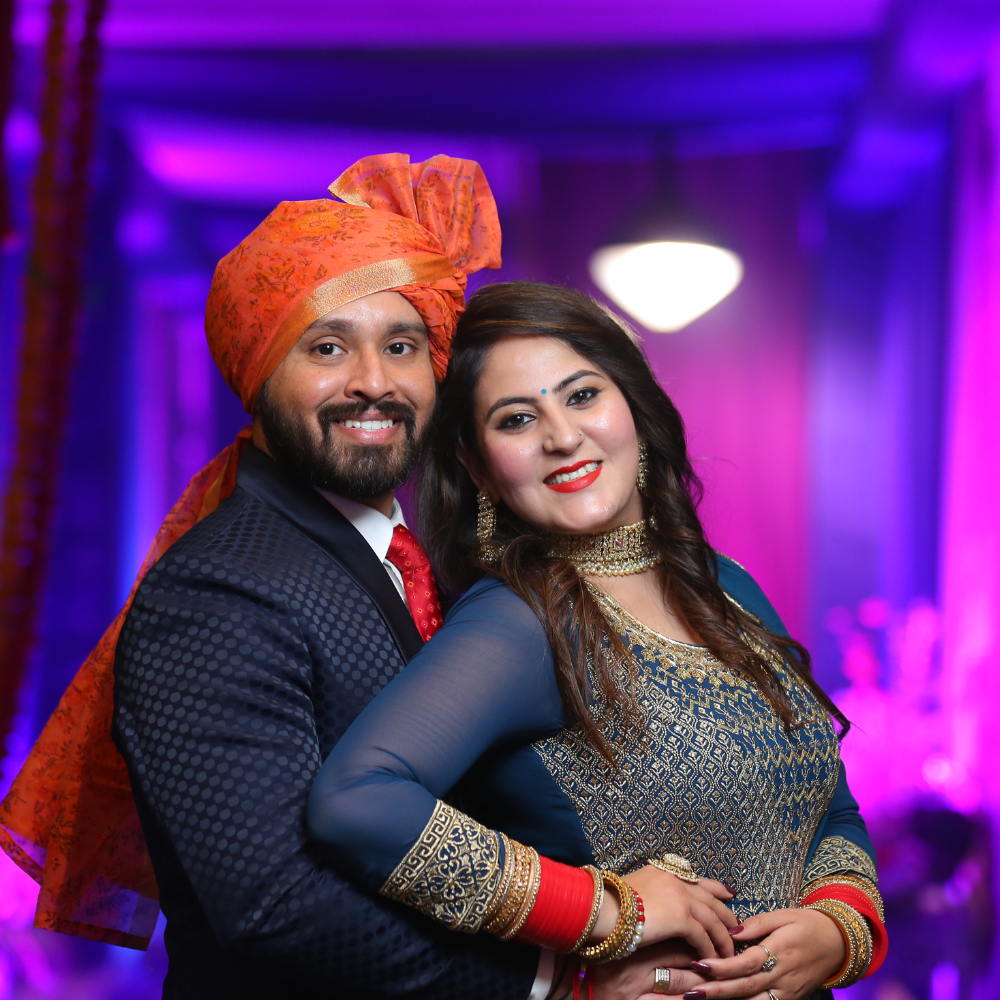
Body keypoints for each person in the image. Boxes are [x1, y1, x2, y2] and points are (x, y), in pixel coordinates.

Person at [0, 153, 580, 1000]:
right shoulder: (214, 593)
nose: (373, 383)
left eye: (402, 346)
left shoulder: (421, 562)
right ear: (259, 369)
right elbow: (275, 908)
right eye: (327, 347)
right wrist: (552, 978)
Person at [306, 282, 889, 999]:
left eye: (582, 396)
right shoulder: (519, 621)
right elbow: (356, 799)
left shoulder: (725, 584)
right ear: (479, 466)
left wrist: (838, 928)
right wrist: (604, 911)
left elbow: (828, 804)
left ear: (634, 409)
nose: (561, 436)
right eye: (517, 419)